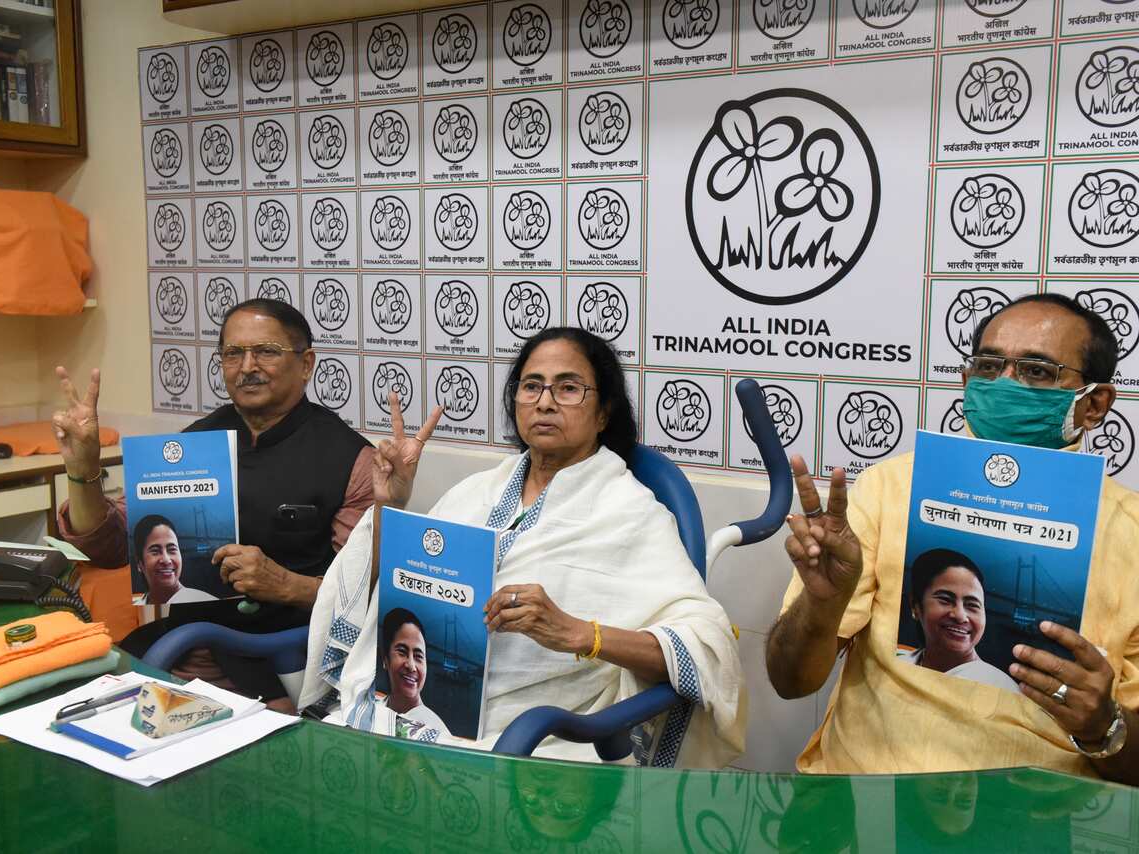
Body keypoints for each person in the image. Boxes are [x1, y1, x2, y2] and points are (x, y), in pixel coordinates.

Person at [767, 293, 1139, 789]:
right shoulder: (888, 491)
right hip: (870, 795)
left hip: (1038, 817)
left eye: (1037, 371)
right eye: (989, 366)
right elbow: (790, 682)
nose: (1005, 384)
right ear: (966, 382)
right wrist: (822, 607)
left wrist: (1103, 724)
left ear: (1095, 404)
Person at [300, 327, 744, 767]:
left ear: (604, 412)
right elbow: (381, 597)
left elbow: (706, 642)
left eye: (568, 388)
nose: (545, 401)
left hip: (536, 737)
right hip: (410, 711)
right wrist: (389, 505)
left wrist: (579, 634)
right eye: (531, 386)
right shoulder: (475, 492)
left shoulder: (632, 513)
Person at [53, 298, 375, 706]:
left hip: (280, 661)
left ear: (306, 363)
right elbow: (111, 545)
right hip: (176, 651)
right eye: (233, 353)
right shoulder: (193, 444)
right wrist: (84, 471)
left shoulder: (351, 459)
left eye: (266, 352)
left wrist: (286, 585)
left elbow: (359, 597)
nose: (247, 367)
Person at [898, 548, 1017, 693]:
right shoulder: (896, 665)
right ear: (915, 606)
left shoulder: (1002, 688)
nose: (960, 616)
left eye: (972, 605)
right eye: (945, 600)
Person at [378, 608, 451, 738]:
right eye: (402, 652)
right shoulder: (373, 708)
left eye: (418, 656)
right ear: (385, 658)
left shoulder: (436, 730)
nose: (411, 666)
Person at [130, 513, 215, 606]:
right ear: (139, 563)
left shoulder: (207, 602)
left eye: (172, 550)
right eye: (155, 551)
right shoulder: (136, 608)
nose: (166, 560)